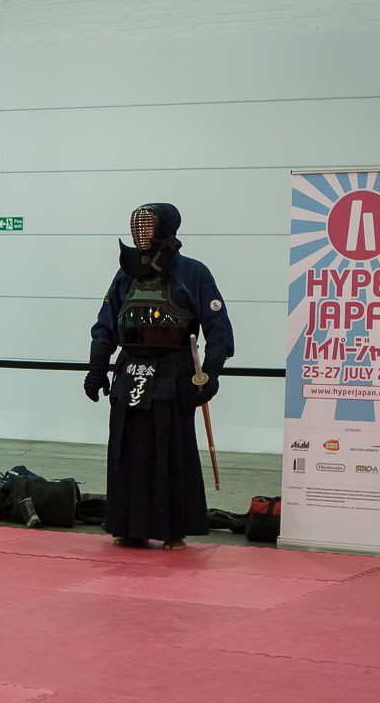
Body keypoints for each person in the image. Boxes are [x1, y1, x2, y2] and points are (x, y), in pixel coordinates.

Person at [84, 203, 234, 550]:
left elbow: (218, 329)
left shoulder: (194, 273)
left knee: (170, 454)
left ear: (164, 230)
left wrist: (211, 373)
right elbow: (105, 325)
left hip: (173, 377)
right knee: (126, 454)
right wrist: (96, 368)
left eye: (148, 226)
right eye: (137, 226)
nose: (141, 234)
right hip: (129, 374)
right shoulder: (125, 275)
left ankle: (173, 529)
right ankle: (128, 526)